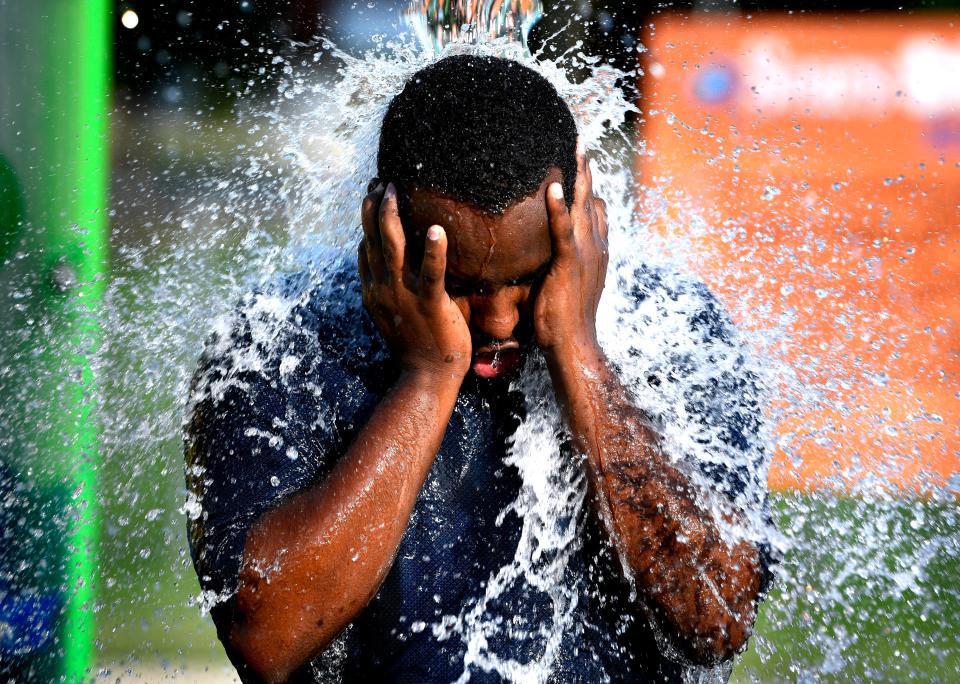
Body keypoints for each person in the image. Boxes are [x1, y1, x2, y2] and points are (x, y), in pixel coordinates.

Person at [185, 54, 778, 683]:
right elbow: (266, 639)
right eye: (460, 283)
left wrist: (578, 351)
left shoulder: (671, 329)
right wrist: (427, 378)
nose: (497, 322)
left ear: (581, 229)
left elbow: (716, 618)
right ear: (385, 234)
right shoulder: (282, 341)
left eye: (527, 279)